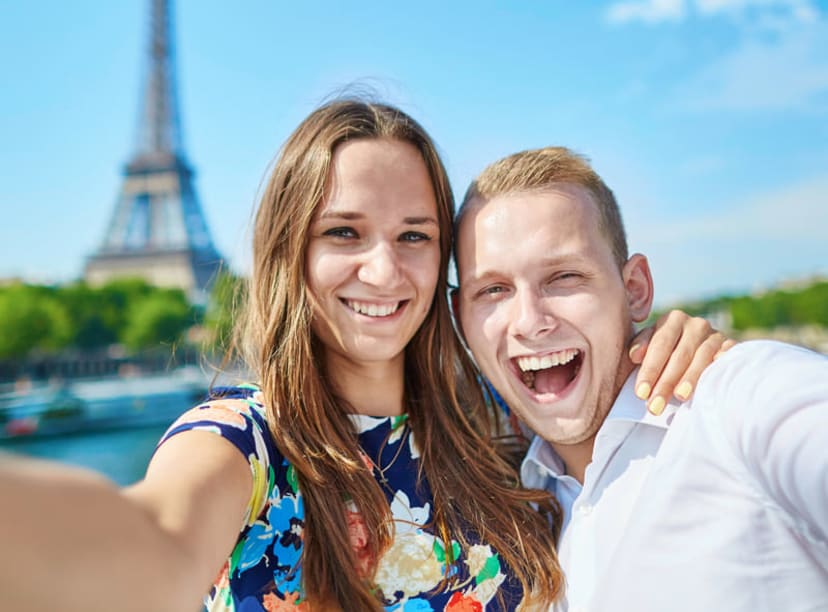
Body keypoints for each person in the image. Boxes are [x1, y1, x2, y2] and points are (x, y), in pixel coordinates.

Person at [0, 100, 726, 612]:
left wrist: (680, 355)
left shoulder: (502, 435)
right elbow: (149, 545)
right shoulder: (240, 446)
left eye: (414, 235)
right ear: (291, 253)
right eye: (345, 233)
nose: (383, 271)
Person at [453, 145, 828, 611]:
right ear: (460, 318)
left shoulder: (733, 402)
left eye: (564, 277)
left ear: (635, 290)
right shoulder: (509, 509)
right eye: (493, 290)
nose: (529, 321)